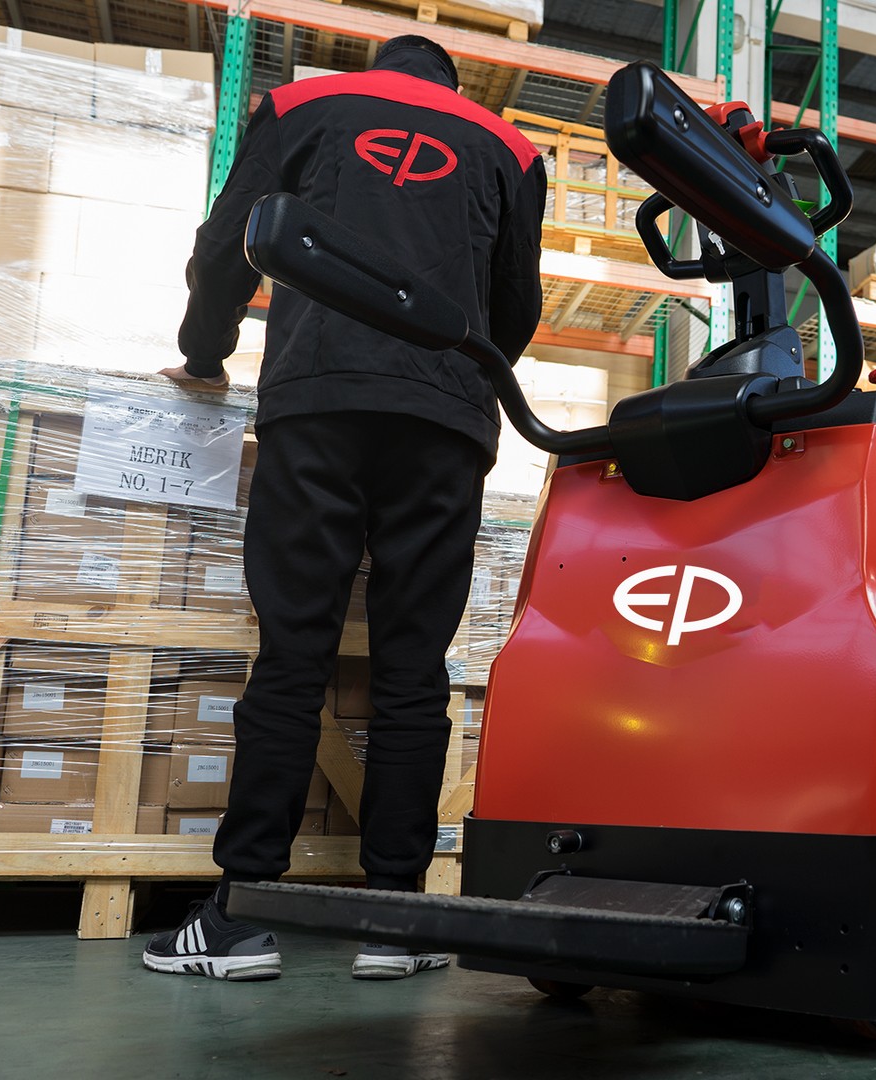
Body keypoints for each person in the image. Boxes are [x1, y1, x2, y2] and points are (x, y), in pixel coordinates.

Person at [143, 34, 545, 981]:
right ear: (451, 83)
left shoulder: (303, 107)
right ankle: (397, 919)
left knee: (293, 654)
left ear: (377, 68)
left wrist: (205, 354)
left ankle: (241, 915)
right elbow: (516, 302)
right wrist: (462, 379)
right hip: (445, 422)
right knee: (414, 666)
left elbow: (229, 242)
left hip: (318, 403)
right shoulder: (509, 146)